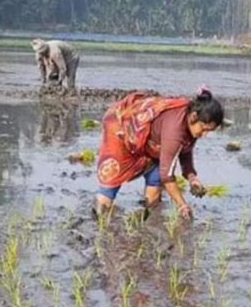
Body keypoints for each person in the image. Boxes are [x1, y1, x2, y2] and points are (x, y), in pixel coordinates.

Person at [95, 87, 225, 219]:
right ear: (193, 117)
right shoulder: (174, 130)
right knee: (111, 180)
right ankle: (100, 218)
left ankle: (148, 219)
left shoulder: (189, 121)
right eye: (203, 129)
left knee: (155, 182)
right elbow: (167, 176)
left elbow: (184, 150)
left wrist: (192, 178)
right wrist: (182, 205)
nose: (204, 135)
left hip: (149, 141)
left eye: (209, 131)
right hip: (121, 130)